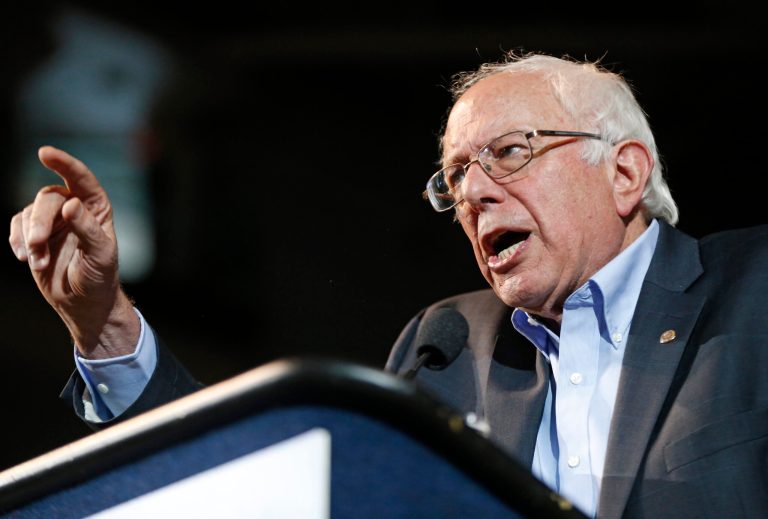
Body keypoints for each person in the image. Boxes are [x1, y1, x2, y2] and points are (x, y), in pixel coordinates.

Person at [9, 53, 768, 518]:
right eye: (456, 176)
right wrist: (105, 323)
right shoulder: (448, 348)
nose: (474, 194)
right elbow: (268, 480)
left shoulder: (753, 288)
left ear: (626, 171)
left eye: (508, 152)